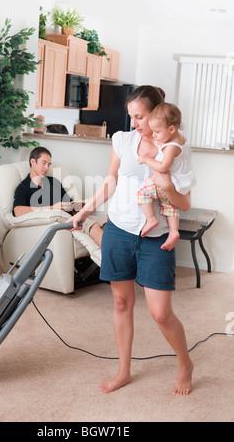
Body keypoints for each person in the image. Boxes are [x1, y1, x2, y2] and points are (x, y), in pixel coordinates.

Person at [70, 85, 194, 396]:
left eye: (139, 116)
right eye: (131, 116)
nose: (134, 123)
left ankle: (185, 363)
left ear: (157, 113)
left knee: (160, 313)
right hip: (119, 230)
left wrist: (166, 185)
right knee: (122, 301)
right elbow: (110, 180)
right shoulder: (123, 140)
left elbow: (185, 203)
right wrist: (84, 210)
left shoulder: (175, 147)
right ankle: (123, 370)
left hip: (156, 238)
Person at [13, 146, 106, 246]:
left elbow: (70, 203)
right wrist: (53, 207)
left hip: (73, 215)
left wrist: (82, 206)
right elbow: (18, 211)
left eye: (49, 164)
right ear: (33, 161)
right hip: (62, 221)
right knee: (93, 225)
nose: (47, 168)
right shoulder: (24, 187)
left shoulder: (53, 182)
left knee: (108, 223)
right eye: (43, 163)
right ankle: (113, 258)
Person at [136, 102, 196, 251]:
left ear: (171, 129)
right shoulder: (180, 140)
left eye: (157, 131)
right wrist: (161, 138)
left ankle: (151, 219)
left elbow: (163, 166)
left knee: (142, 192)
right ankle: (174, 231)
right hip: (179, 185)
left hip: (167, 181)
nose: (154, 135)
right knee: (169, 205)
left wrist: (146, 159)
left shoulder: (171, 147)